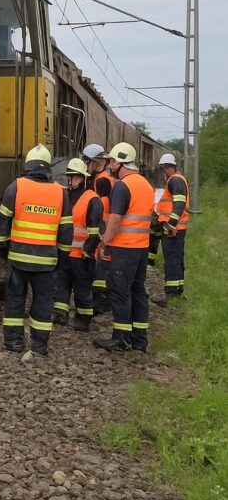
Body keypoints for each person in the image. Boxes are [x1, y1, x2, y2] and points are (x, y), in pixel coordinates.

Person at [0, 145, 73, 356]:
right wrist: (62, 255)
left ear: (27, 165)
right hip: (46, 262)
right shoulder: (60, 192)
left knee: (15, 300)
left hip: (18, 260)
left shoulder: (16, 187)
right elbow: (66, 229)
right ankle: (39, 345)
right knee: (43, 303)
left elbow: (3, 220)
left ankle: (14, 342)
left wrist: (2, 244)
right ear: (48, 167)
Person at [93, 142, 154, 353]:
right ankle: (139, 339)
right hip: (141, 249)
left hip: (124, 249)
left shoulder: (122, 186)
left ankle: (120, 339)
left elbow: (115, 219)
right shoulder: (145, 184)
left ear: (120, 162)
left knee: (119, 291)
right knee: (138, 291)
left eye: (111, 161)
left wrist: (105, 244)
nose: (109, 165)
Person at [52, 158, 102, 331]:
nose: (70, 180)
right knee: (61, 285)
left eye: (74, 177)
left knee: (82, 289)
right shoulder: (64, 195)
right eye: (69, 176)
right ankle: (60, 314)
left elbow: (95, 232)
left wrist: (88, 252)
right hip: (65, 253)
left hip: (82, 255)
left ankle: (83, 319)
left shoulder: (92, 199)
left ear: (82, 178)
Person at [153, 153, 190, 306]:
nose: (163, 172)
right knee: (177, 259)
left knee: (172, 260)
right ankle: (178, 291)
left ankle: (171, 295)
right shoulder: (178, 180)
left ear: (167, 168)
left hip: (173, 228)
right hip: (178, 227)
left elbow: (179, 205)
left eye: (163, 169)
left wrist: (171, 225)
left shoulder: (175, 180)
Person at [82, 143, 115, 314]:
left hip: (104, 226)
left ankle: (101, 303)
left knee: (100, 265)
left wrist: (100, 229)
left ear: (94, 162)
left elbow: (102, 207)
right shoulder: (104, 178)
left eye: (87, 162)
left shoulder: (102, 180)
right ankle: (102, 300)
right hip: (107, 225)